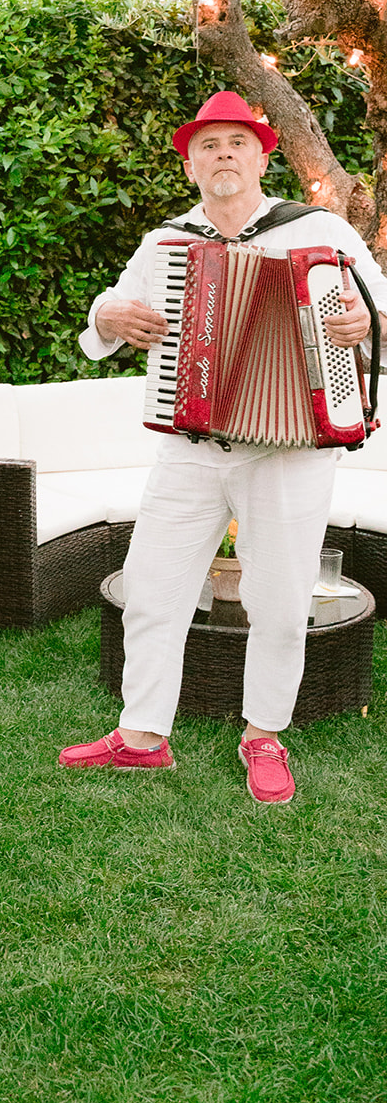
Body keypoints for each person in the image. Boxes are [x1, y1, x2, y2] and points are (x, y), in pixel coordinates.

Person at [60, 91, 387, 803]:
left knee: (277, 600)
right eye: (208, 146)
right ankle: (142, 735)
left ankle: (263, 734)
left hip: (292, 451)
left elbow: (380, 309)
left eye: (238, 142)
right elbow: (106, 320)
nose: (223, 155)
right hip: (191, 447)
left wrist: (366, 322)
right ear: (190, 165)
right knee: (152, 589)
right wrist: (109, 313)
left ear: (264, 156)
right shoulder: (165, 243)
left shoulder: (321, 231)